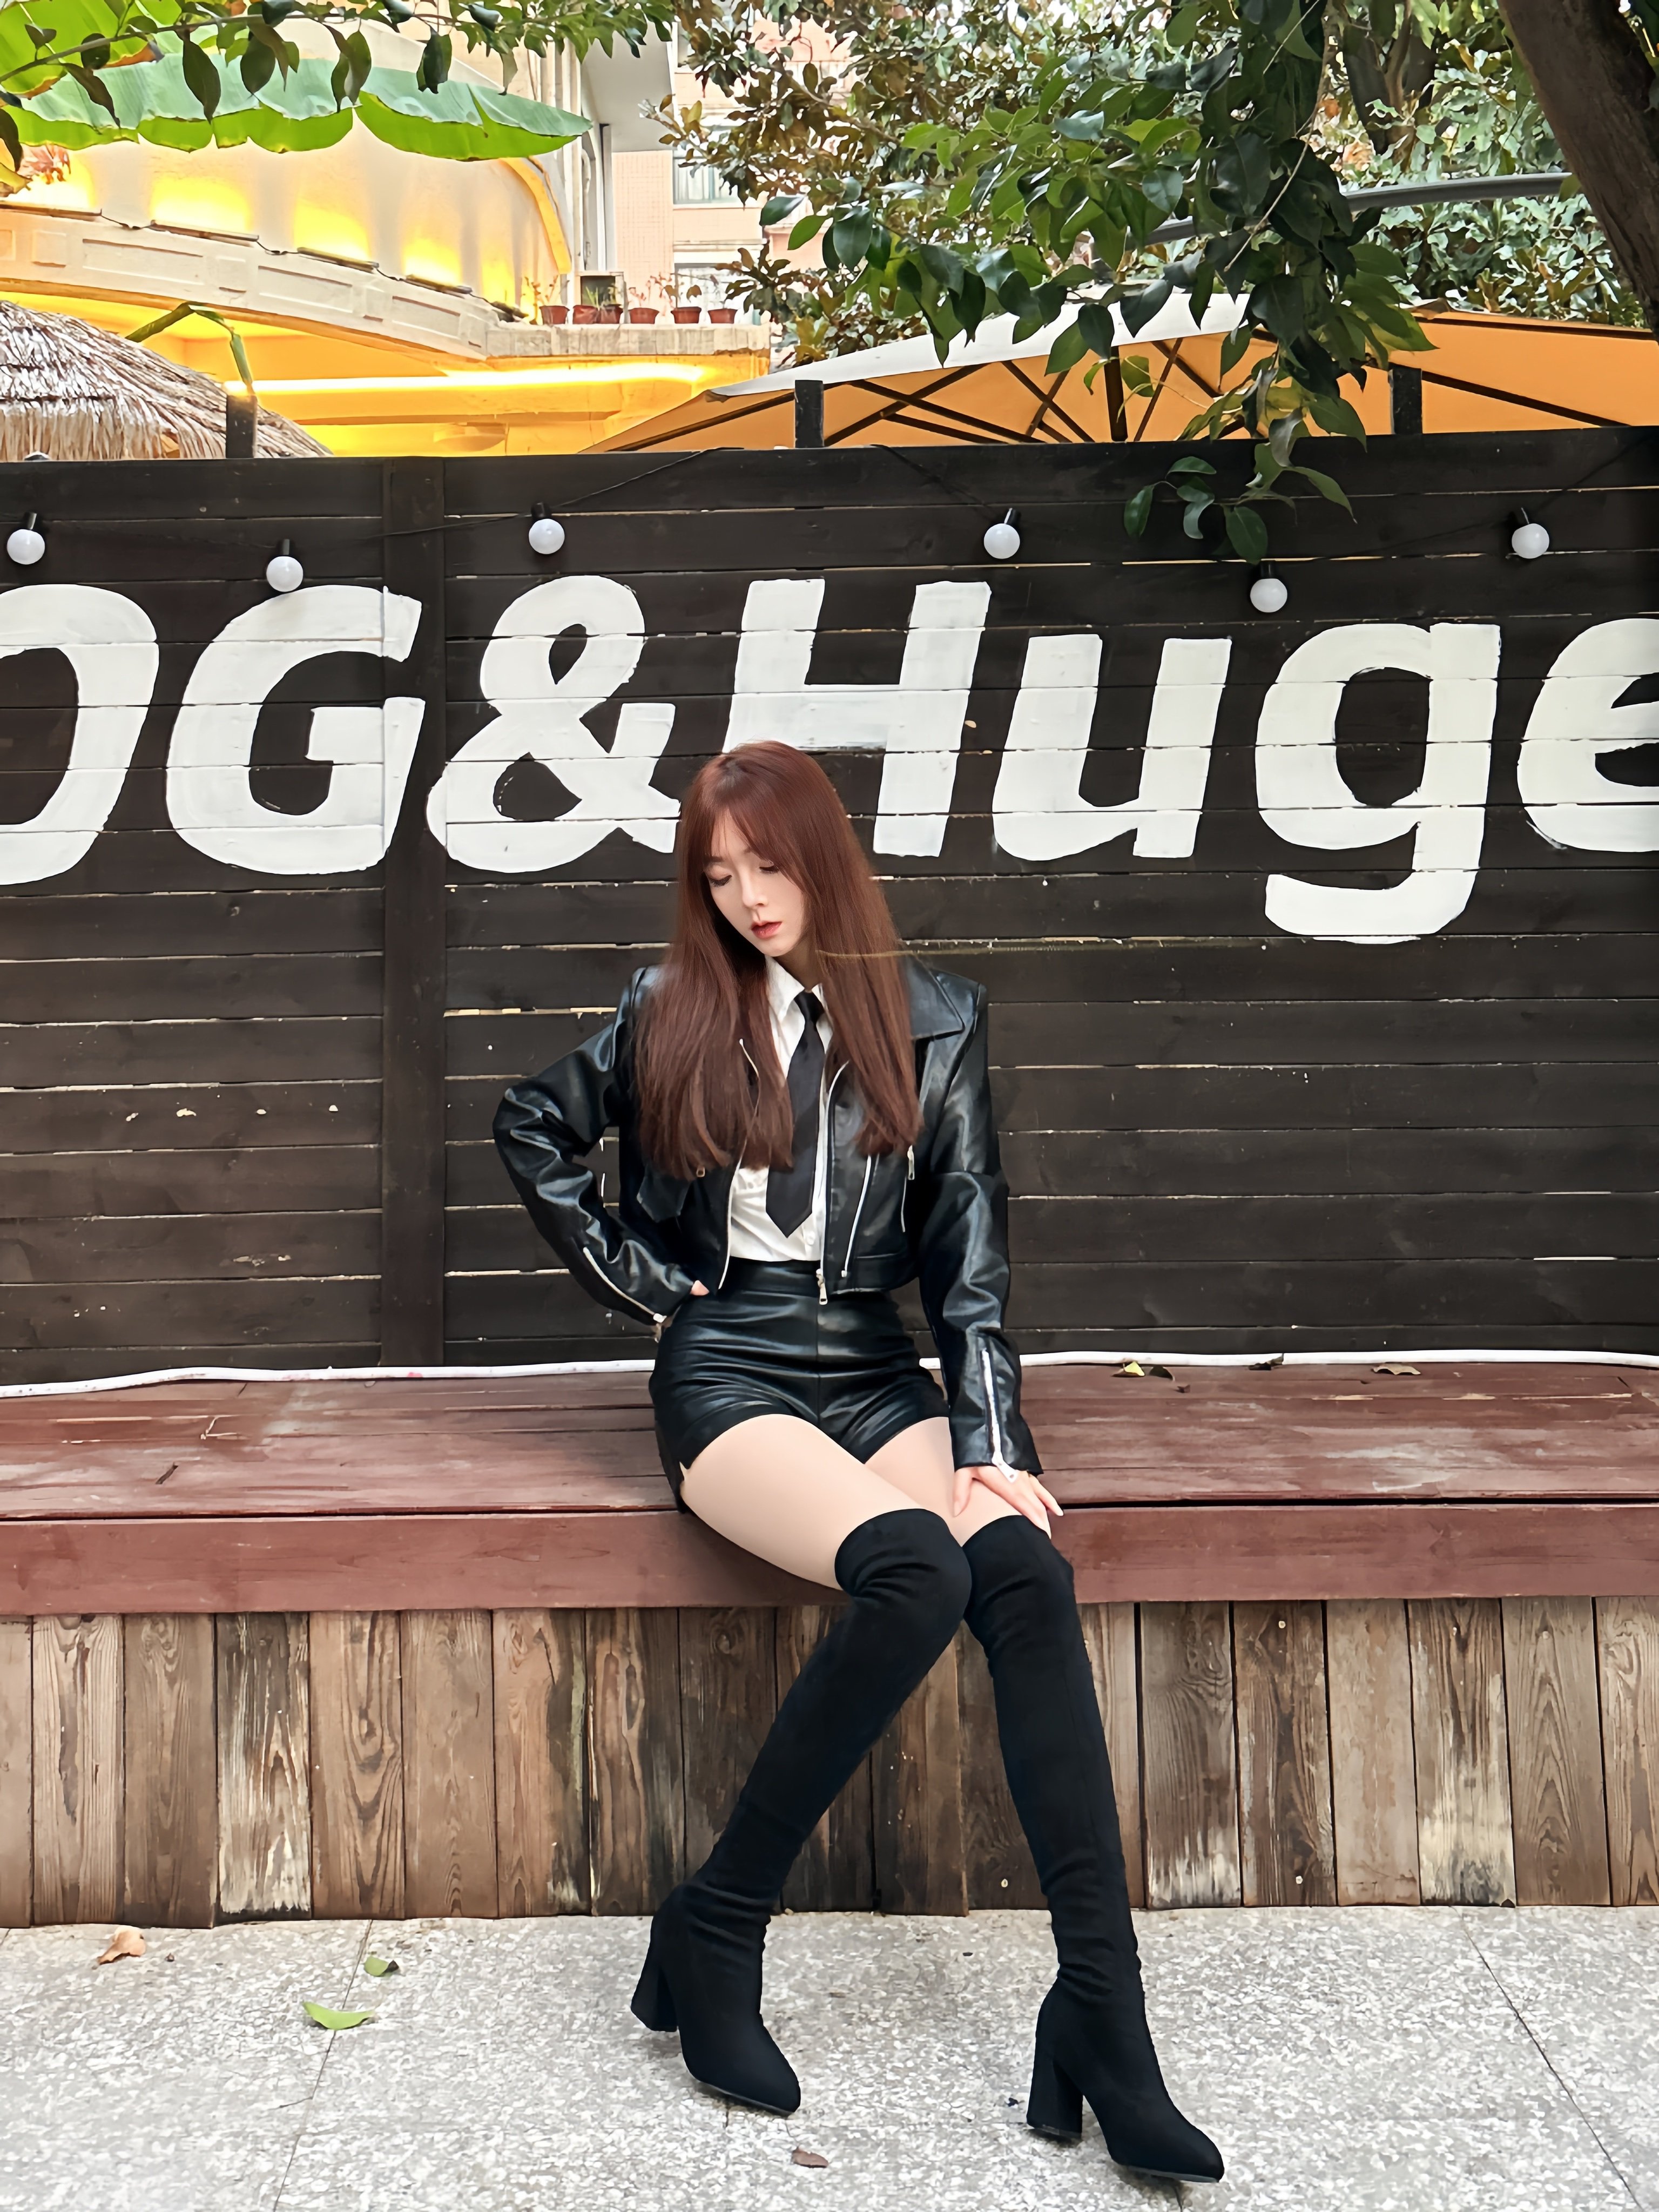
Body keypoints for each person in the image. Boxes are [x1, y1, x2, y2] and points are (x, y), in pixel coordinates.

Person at [494, 740, 1222, 2187]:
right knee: (914, 1570)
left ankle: (1103, 2012)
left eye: (769, 865)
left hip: (874, 1367)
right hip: (729, 1369)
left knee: (1020, 1569)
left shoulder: (937, 1020)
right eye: (720, 876)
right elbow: (533, 1123)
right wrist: (648, 1282)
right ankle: (718, 1923)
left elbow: (968, 1250)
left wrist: (992, 1439)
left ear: (823, 856)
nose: (749, 898)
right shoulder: (669, 1007)